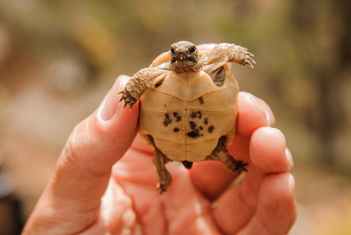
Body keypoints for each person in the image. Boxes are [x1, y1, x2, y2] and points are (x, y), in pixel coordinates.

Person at [22, 76, 296, 235]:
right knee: (163, 156)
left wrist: (231, 52)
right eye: (175, 54)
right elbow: (141, 79)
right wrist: (130, 92)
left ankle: (230, 163)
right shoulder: (157, 74)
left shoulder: (210, 66)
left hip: (195, 140)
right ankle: (177, 176)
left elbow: (221, 58)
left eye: (186, 53)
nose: (180, 57)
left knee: (216, 151)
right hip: (178, 143)